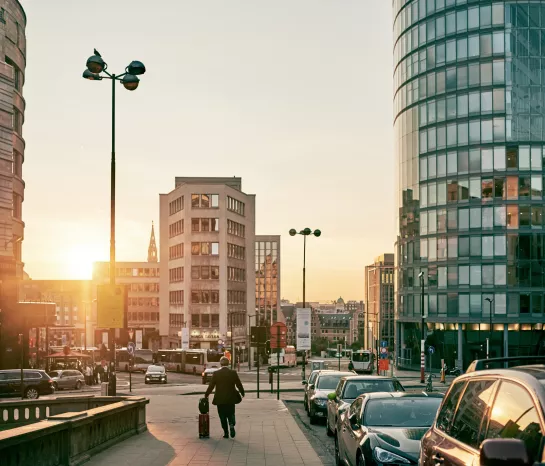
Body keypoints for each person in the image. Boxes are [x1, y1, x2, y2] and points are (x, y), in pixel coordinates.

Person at [204, 356, 245, 439]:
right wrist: (242, 392)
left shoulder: (216, 373)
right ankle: (231, 424)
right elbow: (238, 384)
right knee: (231, 413)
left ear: (220, 364)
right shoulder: (233, 373)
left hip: (220, 399)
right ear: (228, 363)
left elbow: (211, 386)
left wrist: (206, 395)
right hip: (231, 398)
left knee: (222, 416)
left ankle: (226, 433)